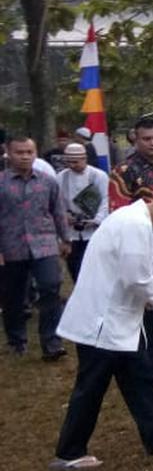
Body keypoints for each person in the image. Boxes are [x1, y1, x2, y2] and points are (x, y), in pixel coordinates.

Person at [50, 182, 153, 470]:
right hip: (102, 321)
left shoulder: (134, 220)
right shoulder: (134, 224)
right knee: (91, 386)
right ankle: (69, 452)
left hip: (120, 320)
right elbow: (135, 277)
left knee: (141, 380)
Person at [1, 136, 69, 360]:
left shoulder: (48, 181)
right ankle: (16, 339)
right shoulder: (2, 182)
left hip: (44, 244)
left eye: (29, 152)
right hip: (11, 246)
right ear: (8, 154)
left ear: (36, 153)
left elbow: (57, 212)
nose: (25, 156)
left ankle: (51, 342)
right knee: (13, 295)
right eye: (19, 152)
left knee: (51, 288)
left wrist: (65, 239)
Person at [55, 142, 109, 282]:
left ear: (84, 158)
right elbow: (57, 202)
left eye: (76, 161)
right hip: (72, 232)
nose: (73, 165)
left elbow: (106, 199)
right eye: (69, 162)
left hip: (94, 231)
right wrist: (64, 217)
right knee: (74, 268)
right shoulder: (61, 177)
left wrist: (97, 220)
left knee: (93, 268)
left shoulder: (99, 176)